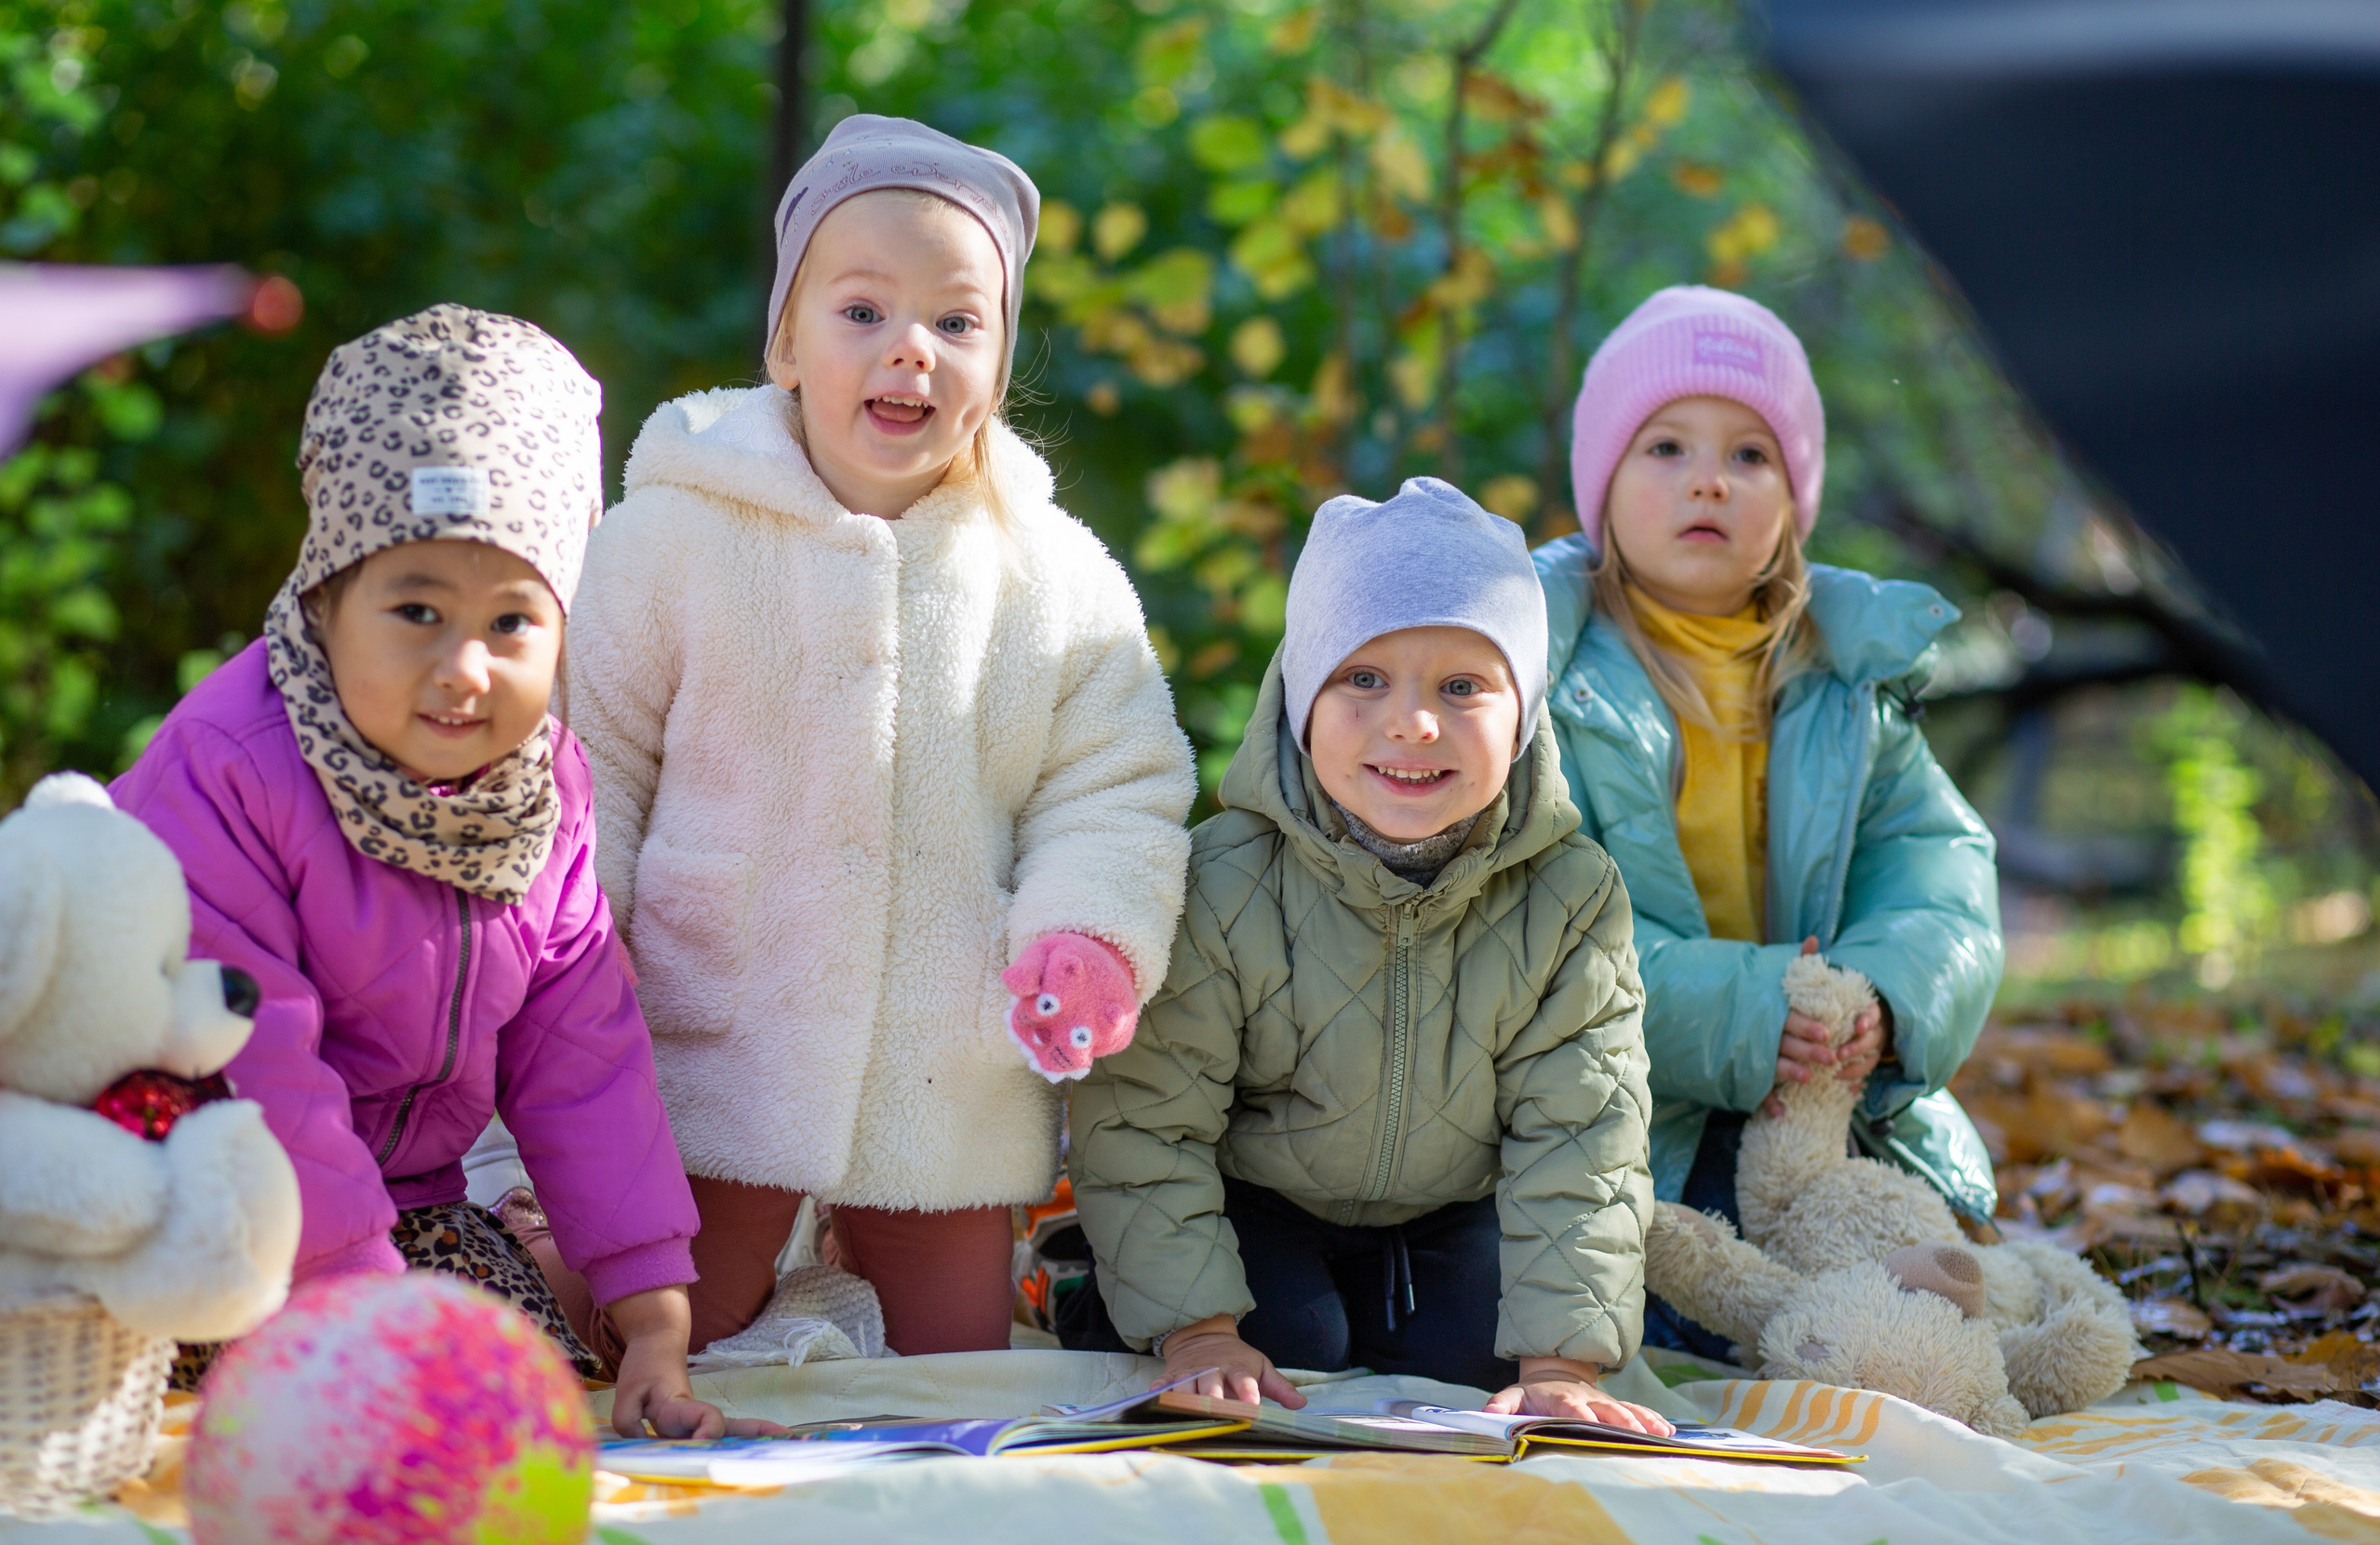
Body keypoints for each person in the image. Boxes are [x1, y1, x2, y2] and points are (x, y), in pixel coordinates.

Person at [563, 115, 1197, 1357]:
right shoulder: (672, 538)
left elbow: (1115, 786)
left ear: (999, 367)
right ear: (784, 344)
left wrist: (1086, 929)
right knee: (650, 1334)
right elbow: (592, 762)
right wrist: (593, 940)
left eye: (959, 323)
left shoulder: (1052, 577)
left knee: (955, 1360)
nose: (911, 348)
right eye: (862, 311)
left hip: (941, 1063)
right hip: (717, 1037)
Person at [115, 306, 755, 1437]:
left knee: (523, 1396)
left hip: (403, 1208)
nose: (463, 668)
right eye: (415, 610)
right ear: (325, 597)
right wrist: (366, 1318)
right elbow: (261, 1064)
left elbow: (580, 1046)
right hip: (195, 1194)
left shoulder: (542, 786)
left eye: (512, 621)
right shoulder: (232, 769)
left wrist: (651, 1310)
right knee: (277, 1411)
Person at [1070, 480, 1667, 1432]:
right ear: (1302, 698)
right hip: (1256, 1197)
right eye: (1362, 679)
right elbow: (1146, 1115)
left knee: (1477, 1363)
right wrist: (1197, 1330)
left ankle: (1444, 1334)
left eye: (1463, 687)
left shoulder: (1569, 898)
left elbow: (1583, 1135)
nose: (1412, 723)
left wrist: (1562, 1362)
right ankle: (1105, 1298)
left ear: (1524, 717)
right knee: (1285, 1351)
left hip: (1446, 1208)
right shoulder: (1227, 882)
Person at [1534, 286, 2002, 1358]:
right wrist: (1745, 1011)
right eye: (1663, 446)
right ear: (1599, 485)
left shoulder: (1845, 684)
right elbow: (1537, 920)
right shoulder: (1545, 686)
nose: (1708, 477)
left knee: (1894, 1237)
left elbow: (1937, 869)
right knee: (1684, 1290)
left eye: (1751, 456)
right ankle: (1822, 1328)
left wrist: (1885, 994)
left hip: (1811, 1100)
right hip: (1607, 1109)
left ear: (1793, 501)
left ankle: (1908, 1319)